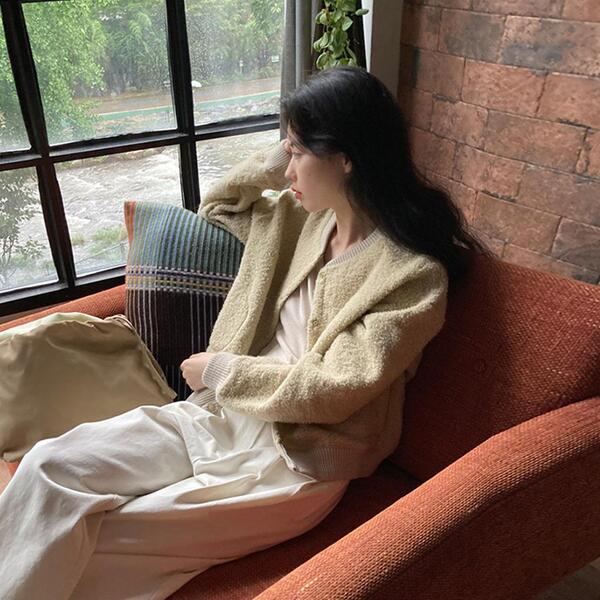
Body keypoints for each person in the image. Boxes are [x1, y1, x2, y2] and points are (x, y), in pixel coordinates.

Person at [0, 66, 486, 600]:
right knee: (49, 467)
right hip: (218, 415)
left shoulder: (412, 276)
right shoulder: (302, 218)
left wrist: (220, 370)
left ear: (346, 157)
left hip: (293, 462)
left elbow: (335, 390)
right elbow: (218, 205)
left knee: (96, 540)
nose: (287, 165)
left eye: (297, 151)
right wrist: (285, 154)